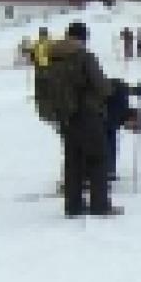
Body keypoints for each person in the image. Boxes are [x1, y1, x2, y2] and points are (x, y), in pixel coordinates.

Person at [51, 22, 121, 217]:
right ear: (83, 38)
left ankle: (73, 205)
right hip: (87, 112)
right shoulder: (84, 56)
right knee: (98, 157)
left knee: (73, 160)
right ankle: (100, 204)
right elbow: (102, 86)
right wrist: (110, 88)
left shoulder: (52, 56)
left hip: (64, 113)